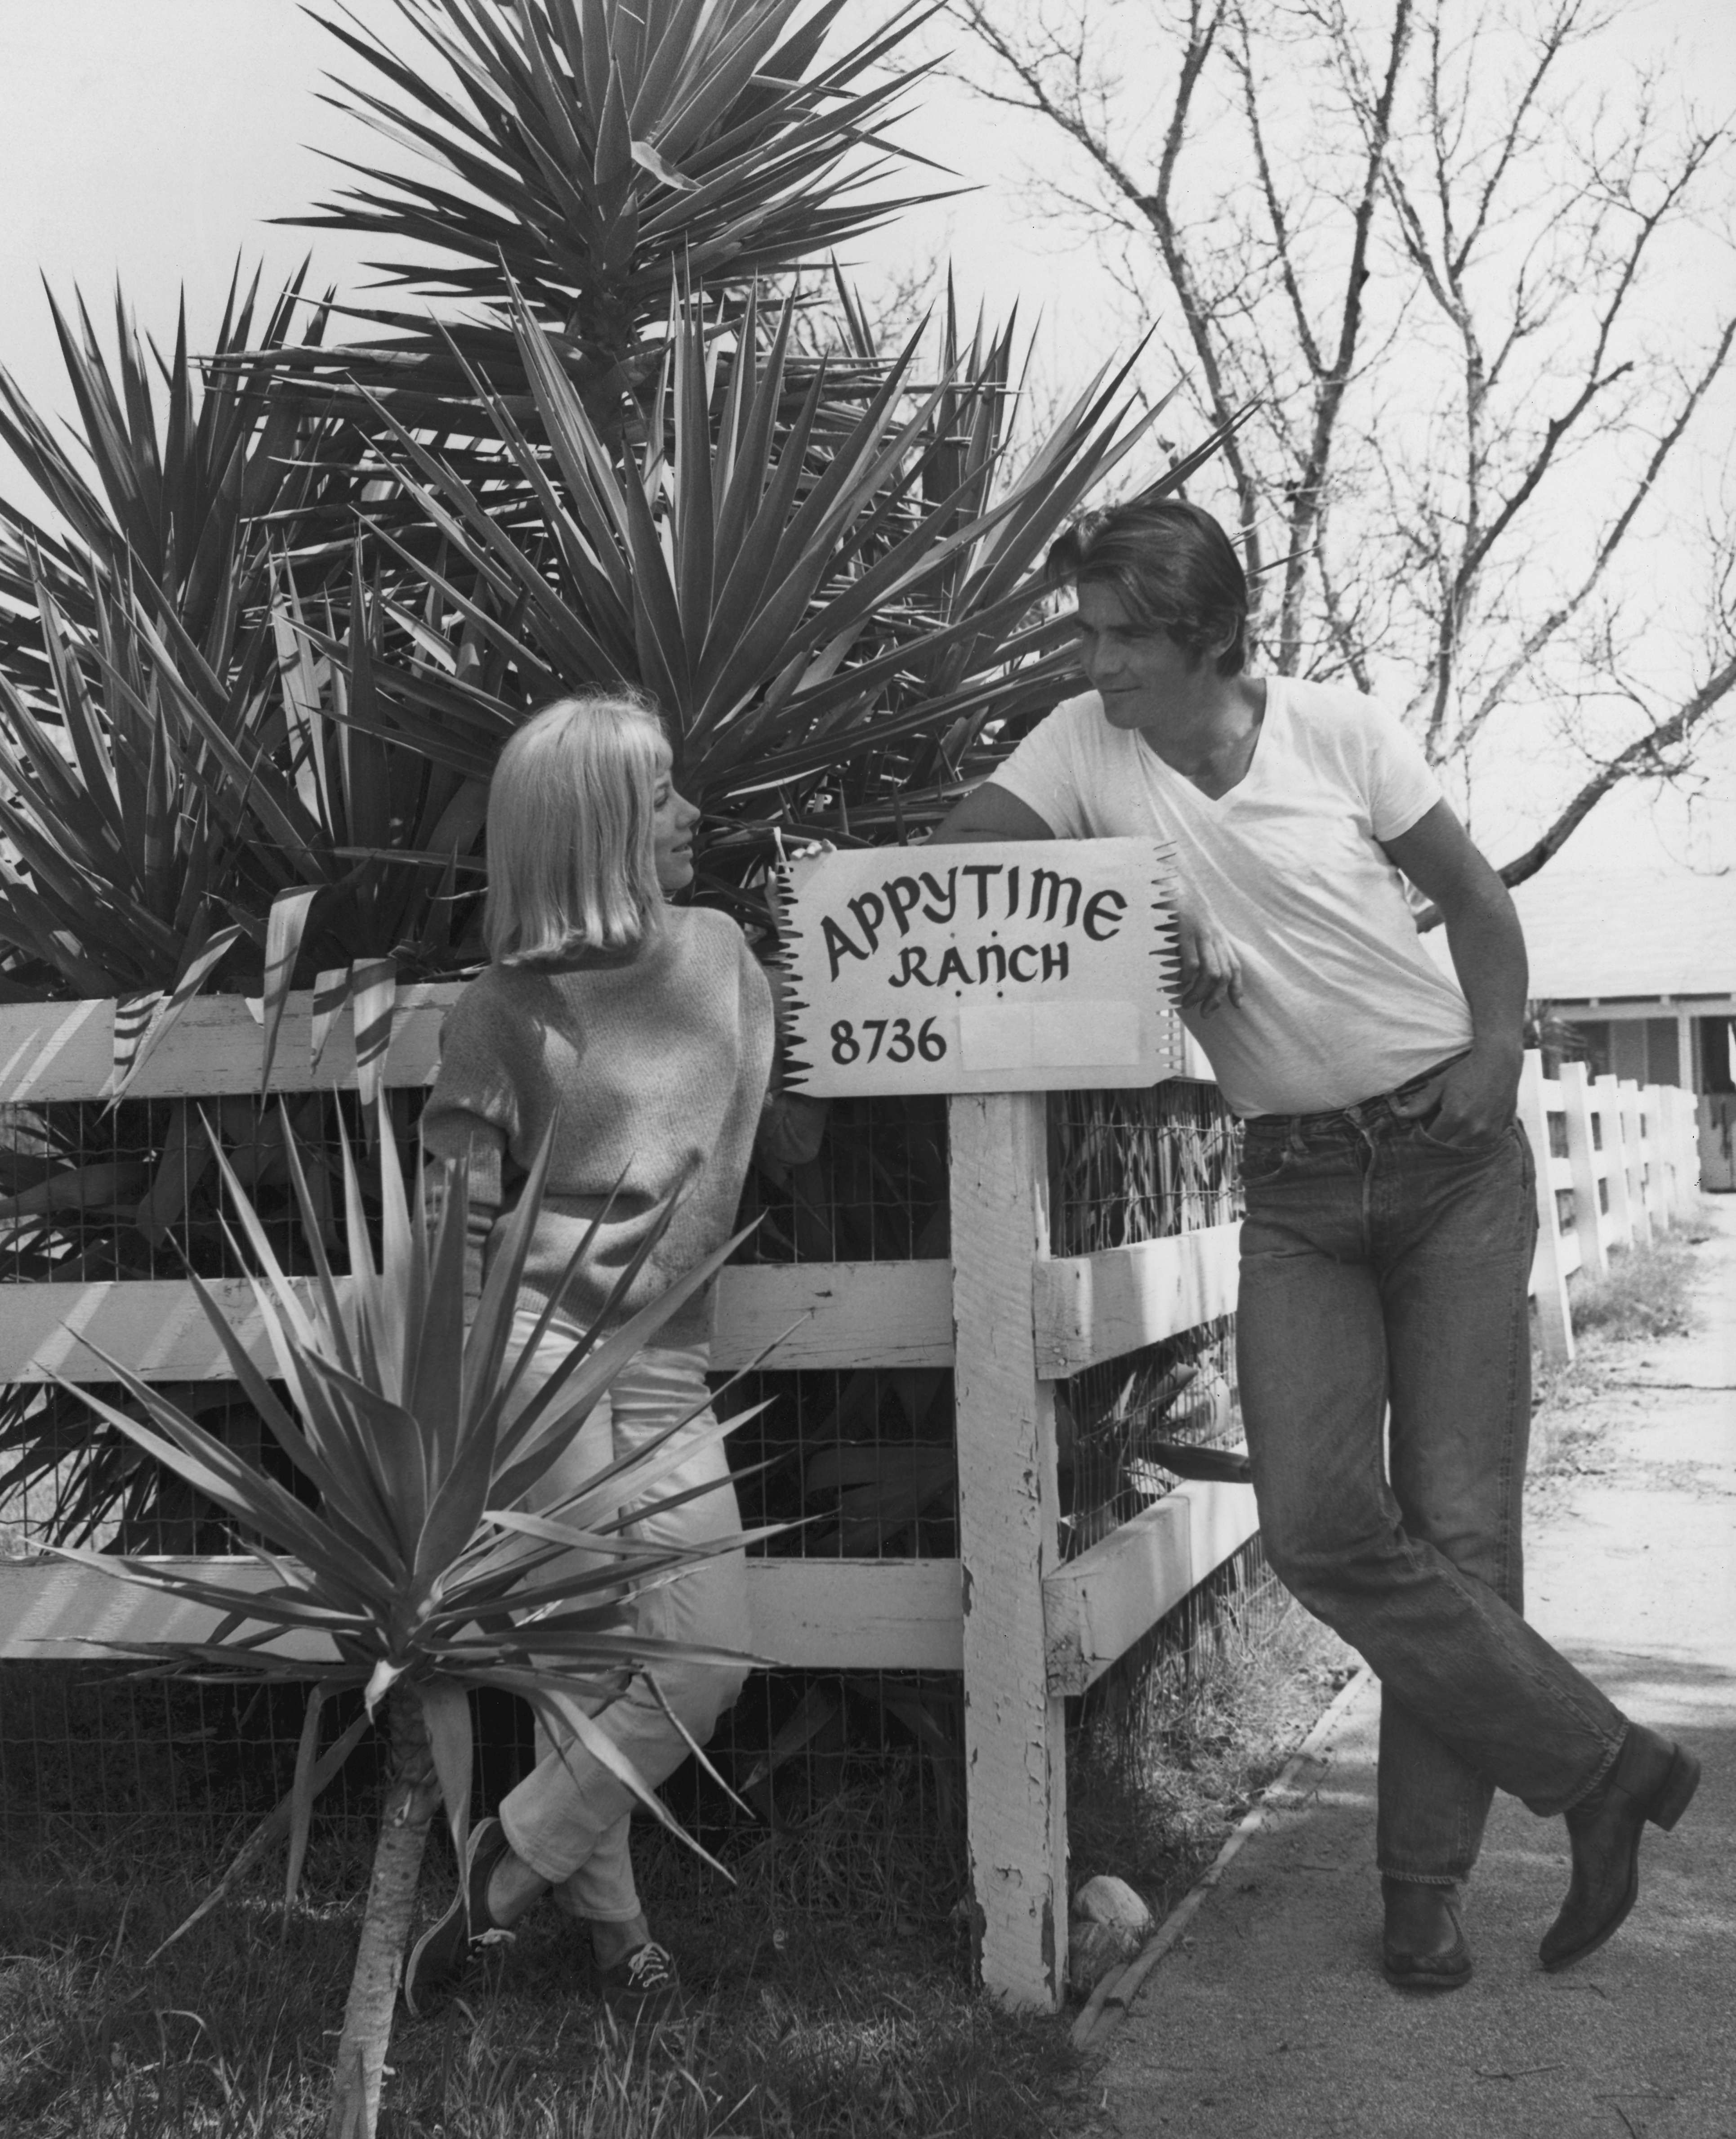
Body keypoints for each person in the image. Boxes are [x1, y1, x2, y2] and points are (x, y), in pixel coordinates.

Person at [931, 497, 1699, 1990]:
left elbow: (1478, 901)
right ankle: (1600, 1767)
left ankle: (1424, 1892)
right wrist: (1139, 896)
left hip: (1449, 1163)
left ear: (1210, 635)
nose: (1096, 666)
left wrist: (1497, 1047)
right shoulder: (1087, 748)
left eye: (1123, 638)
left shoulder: (1336, 731)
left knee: (1463, 1536)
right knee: (1320, 1527)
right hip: (1291, 1180)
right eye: (1086, 634)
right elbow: (965, 865)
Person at [403, 689, 816, 2020]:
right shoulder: (504, 1008)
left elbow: (780, 1134)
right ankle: (618, 1941)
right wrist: (453, 1427)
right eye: (659, 796)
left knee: (704, 1657)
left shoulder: (721, 953)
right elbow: (452, 1220)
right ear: (593, 828)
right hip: (535, 1359)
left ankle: (504, 1863)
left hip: (662, 1360)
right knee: (589, 1661)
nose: (691, 812)